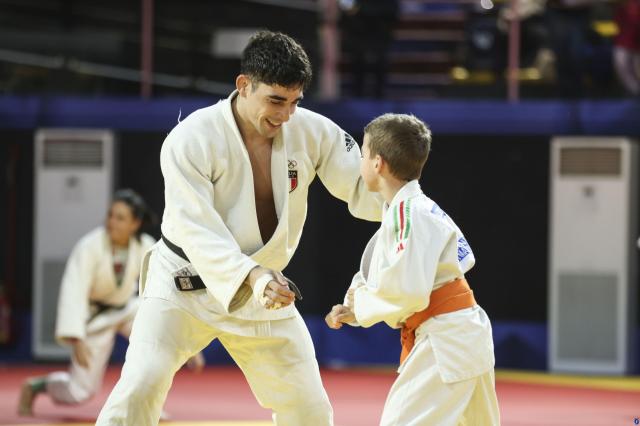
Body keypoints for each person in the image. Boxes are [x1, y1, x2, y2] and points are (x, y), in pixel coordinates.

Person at [96, 31, 380, 426]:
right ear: (244, 85)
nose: (285, 115)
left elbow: (365, 187)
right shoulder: (191, 138)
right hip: (183, 285)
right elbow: (198, 230)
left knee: (309, 409)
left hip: (264, 292)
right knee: (140, 387)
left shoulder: (311, 131)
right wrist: (254, 276)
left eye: (295, 102)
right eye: (275, 101)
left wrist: (405, 204)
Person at [325, 114, 500, 425]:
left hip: (446, 339)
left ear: (378, 163)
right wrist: (355, 308)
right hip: (461, 333)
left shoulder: (410, 214)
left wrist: (361, 305)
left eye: (363, 154)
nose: (360, 162)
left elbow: (408, 292)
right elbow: (394, 273)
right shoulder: (414, 210)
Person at [17, 189, 204, 417]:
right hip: (95, 317)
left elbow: (166, 286)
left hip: (127, 309)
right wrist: (76, 338)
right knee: (80, 392)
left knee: (156, 339)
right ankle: (36, 386)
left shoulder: (145, 245)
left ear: (135, 224)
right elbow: (73, 291)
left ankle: (146, 406)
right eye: (111, 215)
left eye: (120, 218)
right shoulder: (90, 246)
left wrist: (186, 342)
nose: (112, 222)